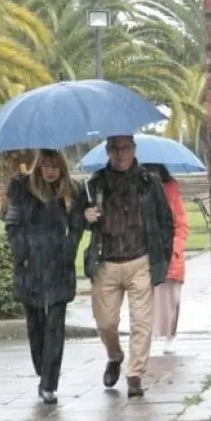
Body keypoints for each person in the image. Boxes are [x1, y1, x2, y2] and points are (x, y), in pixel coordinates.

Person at [83, 135, 175, 397]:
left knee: (142, 322)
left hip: (139, 260)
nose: (120, 154)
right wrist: (86, 216)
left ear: (134, 150)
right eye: (115, 149)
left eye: (125, 149)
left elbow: (166, 221)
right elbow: (79, 222)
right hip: (106, 262)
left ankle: (135, 375)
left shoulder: (149, 182)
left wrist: (162, 257)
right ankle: (115, 356)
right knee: (105, 323)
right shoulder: (96, 184)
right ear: (107, 151)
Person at [4, 149, 85, 405]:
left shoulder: (72, 191)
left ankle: (49, 382)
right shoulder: (22, 188)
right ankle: (43, 369)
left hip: (59, 263)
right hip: (31, 264)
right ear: (39, 167)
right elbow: (12, 225)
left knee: (55, 326)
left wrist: (69, 248)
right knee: (35, 324)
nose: (51, 171)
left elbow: (77, 225)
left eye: (56, 166)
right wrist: (22, 255)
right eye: (47, 166)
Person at [143, 164, 190, 355]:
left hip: (171, 254)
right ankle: (145, 338)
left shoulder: (171, 191)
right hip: (147, 253)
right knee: (146, 300)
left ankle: (170, 336)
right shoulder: (141, 191)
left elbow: (181, 225)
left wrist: (174, 249)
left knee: (173, 297)